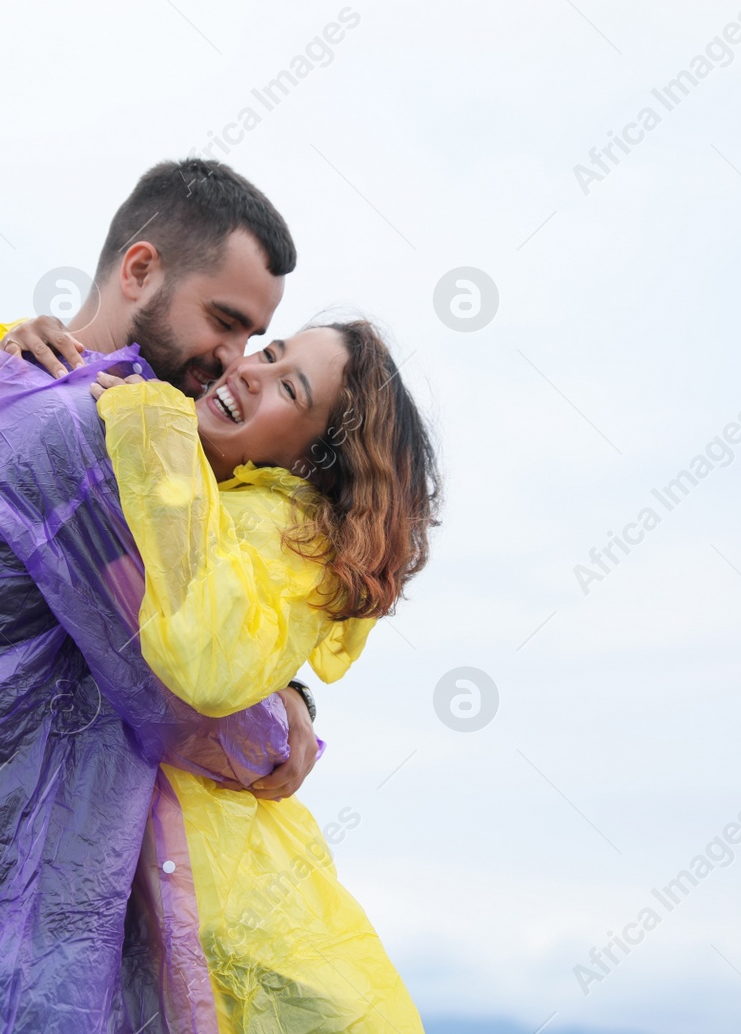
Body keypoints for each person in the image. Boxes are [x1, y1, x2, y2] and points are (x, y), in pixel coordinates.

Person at [0, 160, 320, 1033]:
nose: (229, 363)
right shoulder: (81, 437)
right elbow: (184, 693)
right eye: (224, 323)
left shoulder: (9, 390)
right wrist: (286, 730)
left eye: (255, 337)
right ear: (140, 270)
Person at [86, 316, 441, 1033]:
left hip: (235, 942)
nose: (249, 370)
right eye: (270, 353)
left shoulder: (287, 526)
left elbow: (207, 659)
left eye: (290, 387)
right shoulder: (225, 494)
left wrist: (151, 423)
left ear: (311, 462)